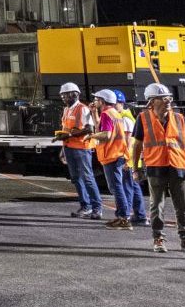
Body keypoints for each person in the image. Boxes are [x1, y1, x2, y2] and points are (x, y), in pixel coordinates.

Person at [135, 82, 185, 254]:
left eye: (168, 98)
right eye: (162, 98)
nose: (167, 101)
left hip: (178, 167)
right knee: (156, 206)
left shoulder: (179, 118)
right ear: (151, 102)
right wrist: (135, 169)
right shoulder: (143, 119)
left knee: (183, 207)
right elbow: (137, 146)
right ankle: (158, 238)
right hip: (156, 167)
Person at [88, 90, 139, 230]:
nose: (95, 102)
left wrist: (91, 136)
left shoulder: (106, 114)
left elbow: (106, 135)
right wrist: (94, 112)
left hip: (112, 154)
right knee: (116, 187)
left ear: (102, 101)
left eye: (96, 99)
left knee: (116, 187)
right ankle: (122, 216)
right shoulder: (114, 113)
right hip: (117, 154)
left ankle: (124, 218)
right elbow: (100, 127)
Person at [55, 82, 102, 219]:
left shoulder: (82, 109)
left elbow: (89, 129)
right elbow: (65, 130)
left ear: (74, 95)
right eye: (62, 95)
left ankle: (97, 208)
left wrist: (69, 136)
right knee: (76, 178)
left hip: (82, 148)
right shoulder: (66, 110)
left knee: (88, 178)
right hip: (69, 148)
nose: (63, 97)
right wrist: (63, 148)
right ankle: (85, 206)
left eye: (65, 95)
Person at [112, 91, 146, 218]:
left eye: (114, 103)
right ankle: (140, 215)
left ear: (120, 103)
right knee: (134, 187)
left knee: (127, 188)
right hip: (130, 159)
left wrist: (127, 160)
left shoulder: (125, 119)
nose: (112, 106)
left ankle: (125, 216)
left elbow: (129, 143)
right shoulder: (123, 117)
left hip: (129, 159)